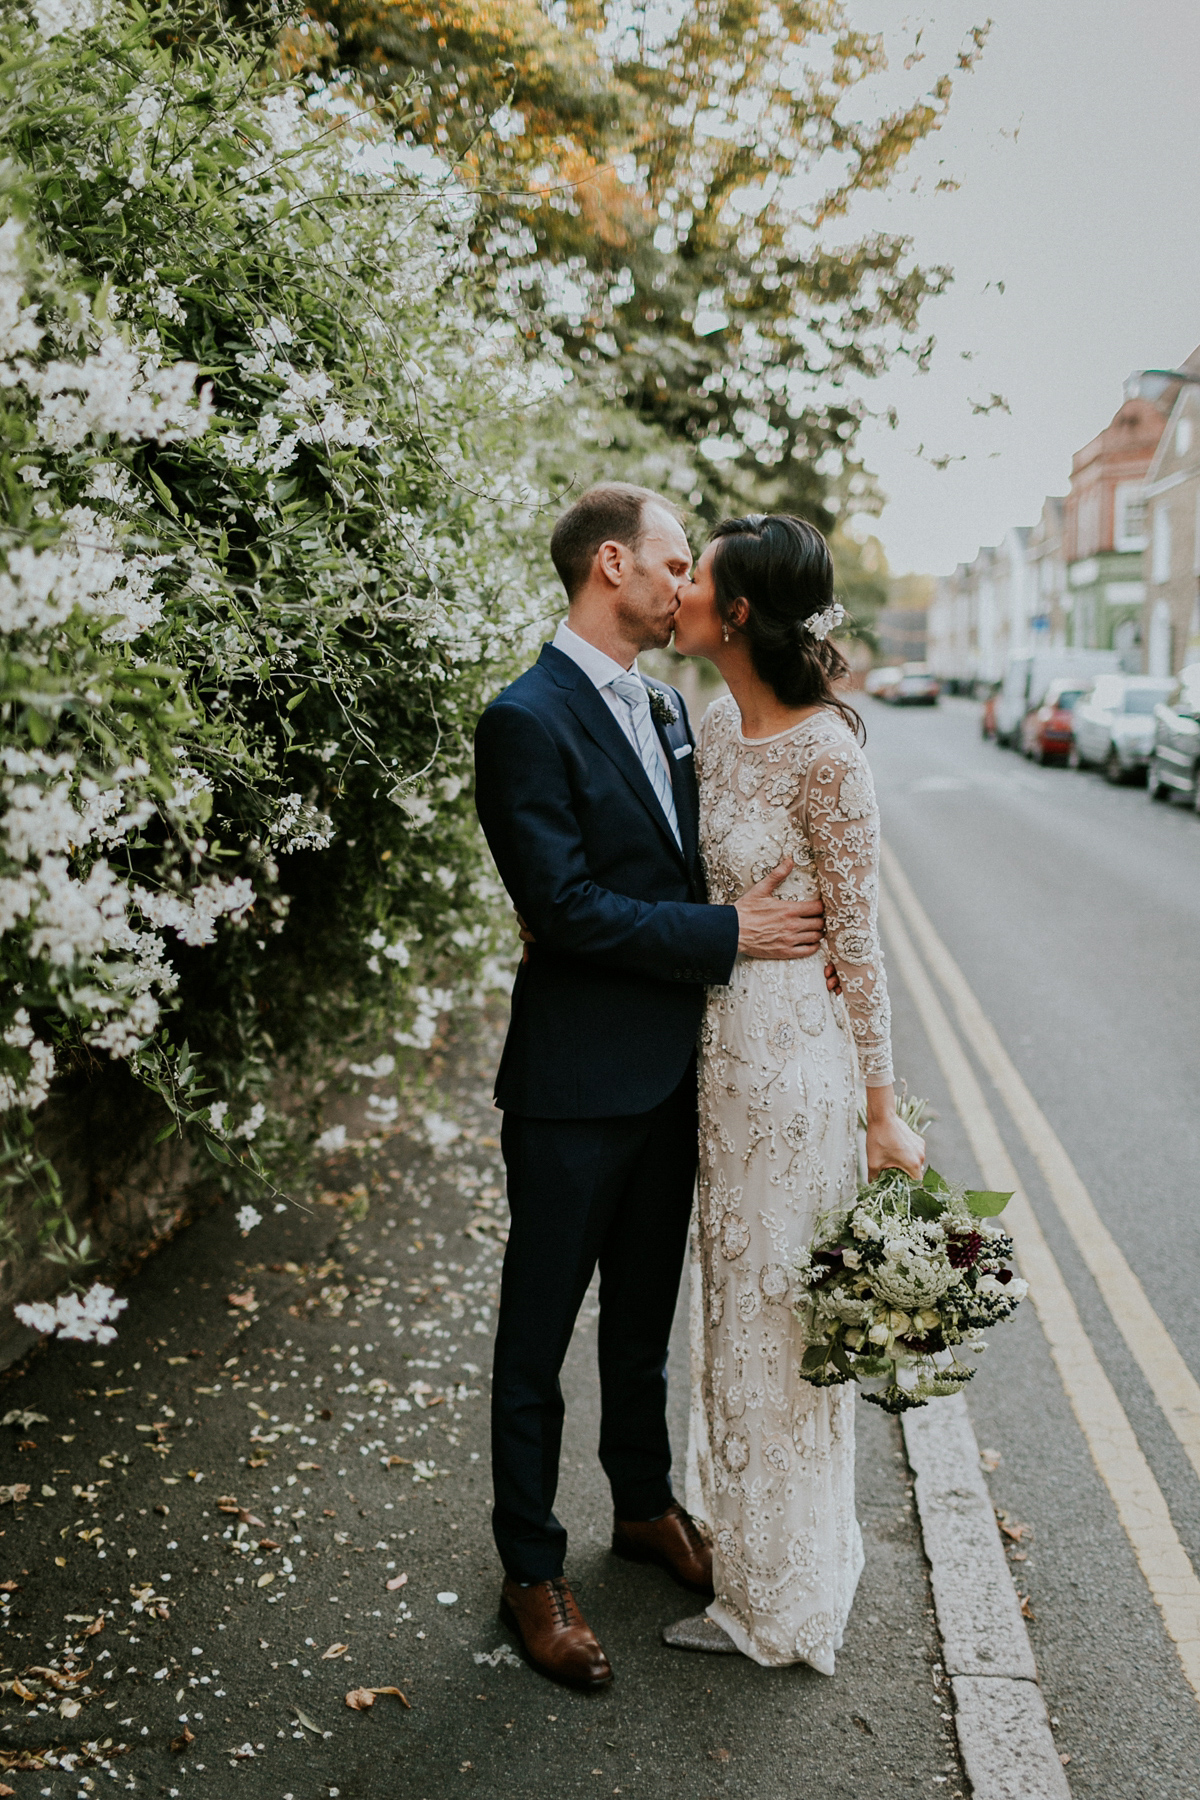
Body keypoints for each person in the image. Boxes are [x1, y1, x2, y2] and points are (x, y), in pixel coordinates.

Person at [472, 484, 837, 1690]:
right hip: (575, 1087)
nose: (688, 587)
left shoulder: (676, 712)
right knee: (537, 1340)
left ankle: (643, 1505)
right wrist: (728, 932)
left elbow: (689, 858)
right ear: (613, 564)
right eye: (677, 563)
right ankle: (532, 1567)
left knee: (641, 1328)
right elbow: (563, 910)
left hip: (678, 1079)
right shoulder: (523, 719)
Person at [665, 512, 924, 1670]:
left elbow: (859, 943)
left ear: (738, 616)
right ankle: (743, 1546)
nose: (678, 589)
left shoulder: (831, 753)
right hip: (720, 1054)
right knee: (729, 1309)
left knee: (781, 1324)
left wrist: (881, 1109)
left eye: (697, 577)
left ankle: (781, 1604)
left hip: (798, 1067)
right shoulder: (716, 725)